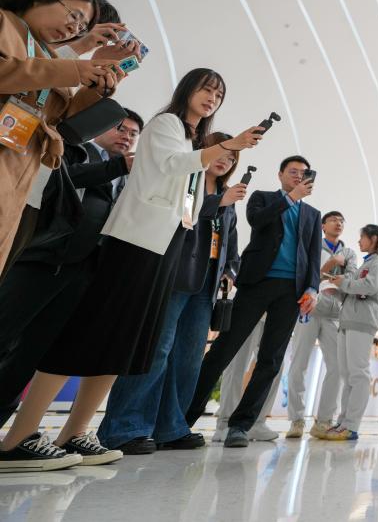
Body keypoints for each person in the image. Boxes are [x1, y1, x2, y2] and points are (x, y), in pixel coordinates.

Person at [0, 68, 261, 471]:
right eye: (206, 89)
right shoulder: (167, 123)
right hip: (134, 241)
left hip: (165, 243)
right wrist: (227, 145)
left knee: (125, 343)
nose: (212, 98)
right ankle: (20, 435)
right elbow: (171, 165)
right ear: (187, 89)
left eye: (219, 94)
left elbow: (188, 193)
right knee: (88, 335)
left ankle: (75, 432)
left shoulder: (191, 138)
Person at [97, 131, 245, 453]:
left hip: (207, 284)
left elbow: (231, 243)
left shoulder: (226, 194)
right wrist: (218, 203)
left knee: (188, 358)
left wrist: (230, 272)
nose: (225, 160)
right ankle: (124, 428)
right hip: (175, 276)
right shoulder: (188, 180)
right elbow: (182, 216)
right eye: (221, 152)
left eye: (232, 157)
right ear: (205, 150)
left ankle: (170, 427)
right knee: (156, 350)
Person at [0, 109, 142, 430]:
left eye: (133, 134)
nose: (126, 136)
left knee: (31, 354)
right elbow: (64, 176)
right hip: (44, 259)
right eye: (120, 128)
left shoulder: (128, 175)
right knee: (4, 334)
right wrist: (117, 166)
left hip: (82, 272)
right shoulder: (76, 149)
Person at [186, 155, 320, 447]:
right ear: (280, 174)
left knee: (270, 360)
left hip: (291, 292)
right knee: (224, 349)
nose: (298, 176)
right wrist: (291, 198)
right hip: (256, 283)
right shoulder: (262, 198)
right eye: (293, 171)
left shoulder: (312, 214)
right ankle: (184, 417)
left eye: (303, 173)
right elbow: (258, 221)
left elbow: (313, 254)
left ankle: (241, 425)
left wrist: (313, 287)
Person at [0, 0, 128, 271]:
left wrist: (95, 89)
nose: (74, 28)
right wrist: (75, 69)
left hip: (18, 172)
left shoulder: (51, 58)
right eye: (74, 16)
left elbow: (64, 122)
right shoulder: (4, 22)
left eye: (82, 27)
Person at [286, 211, 358, 440]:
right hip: (310, 309)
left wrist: (339, 272)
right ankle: (296, 419)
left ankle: (324, 420)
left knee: (337, 367)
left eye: (342, 221)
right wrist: (331, 264)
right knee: (299, 364)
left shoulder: (349, 253)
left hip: (334, 315)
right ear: (323, 226)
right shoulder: (312, 246)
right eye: (334, 220)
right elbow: (308, 276)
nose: (338, 223)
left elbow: (352, 281)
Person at [322, 224, 378, 441]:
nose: (359, 241)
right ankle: (343, 421)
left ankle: (351, 425)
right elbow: (354, 291)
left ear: (373, 239)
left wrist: (344, 282)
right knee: (347, 375)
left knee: (358, 374)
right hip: (348, 320)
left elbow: (370, 286)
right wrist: (336, 290)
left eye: (362, 237)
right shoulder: (368, 261)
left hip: (362, 322)